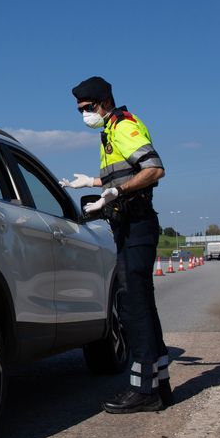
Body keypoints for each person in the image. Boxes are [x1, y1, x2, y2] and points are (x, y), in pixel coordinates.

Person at [60, 76, 172, 413]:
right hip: (127, 226)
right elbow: (122, 175)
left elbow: (154, 169)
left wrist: (117, 192)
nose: (84, 115)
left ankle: (144, 391)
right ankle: (160, 385)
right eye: (79, 110)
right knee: (141, 305)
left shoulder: (123, 126)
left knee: (132, 307)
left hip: (136, 224)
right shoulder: (108, 131)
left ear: (104, 102)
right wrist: (94, 183)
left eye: (87, 108)